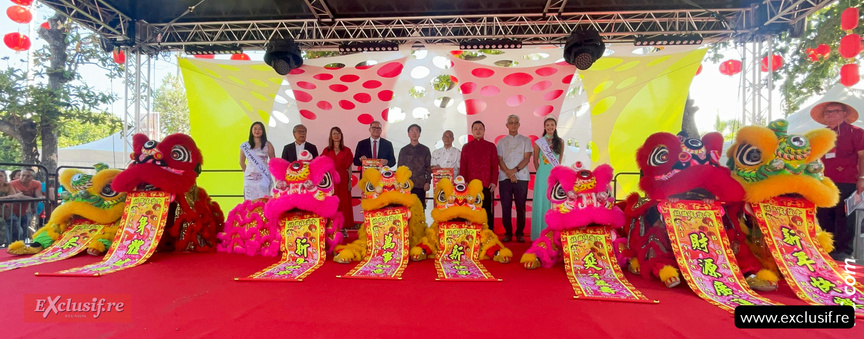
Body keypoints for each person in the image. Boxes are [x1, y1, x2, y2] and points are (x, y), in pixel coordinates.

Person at [811, 101, 864, 260]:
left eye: (835, 111)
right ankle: (828, 250)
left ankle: (844, 252)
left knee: (844, 216)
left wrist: (862, 178)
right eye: (827, 112)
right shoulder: (820, 135)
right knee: (824, 215)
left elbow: (862, 156)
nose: (830, 114)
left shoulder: (856, 132)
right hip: (823, 182)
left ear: (844, 114)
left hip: (847, 181)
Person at [497, 115, 533, 243]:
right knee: (506, 206)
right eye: (510, 123)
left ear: (519, 125)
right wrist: (508, 173)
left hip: (521, 177)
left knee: (520, 206)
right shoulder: (501, 142)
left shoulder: (525, 140)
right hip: (504, 178)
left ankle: (519, 233)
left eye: (515, 123)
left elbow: (527, 158)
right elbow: (499, 160)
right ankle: (508, 233)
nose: (513, 125)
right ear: (507, 125)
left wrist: (513, 171)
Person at [459, 121, 499, 233]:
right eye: (475, 129)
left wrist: (493, 181)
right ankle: (471, 232)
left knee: (486, 209)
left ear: (484, 131)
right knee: (470, 209)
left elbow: (495, 166)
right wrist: (464, 182)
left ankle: (488, 233)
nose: (478, 131)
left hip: (486, 183)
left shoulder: (491, 146)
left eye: (480, 128)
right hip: (470, 185)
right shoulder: (466, 147)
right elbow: (463, 166)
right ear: (472, 131)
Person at [531, 116, 563, 240]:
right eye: (547, 125)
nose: (550, 127)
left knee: (553, 202)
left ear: (555, 127)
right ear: (544, 127)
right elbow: (535, 161)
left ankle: (553, 234)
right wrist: (542, 171)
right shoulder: (539, 142)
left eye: (552, 125)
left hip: (554, 174)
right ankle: (538, 234)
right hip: (542, 175)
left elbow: (559, 160)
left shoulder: (560, 142)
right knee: (541, 201)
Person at [322, 127, 355, 229]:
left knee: (343, 202)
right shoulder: (326, 150)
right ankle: (331, 225)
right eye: (334, 134)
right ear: (331, 136)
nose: (336, 136)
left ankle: (344, 225)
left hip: (343, 179)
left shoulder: (347, 150)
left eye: (338, 133)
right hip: (330, 180)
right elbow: (322, 167)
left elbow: (349, 168)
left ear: (341, 135)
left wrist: (349, 182)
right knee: (332, 201)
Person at [398, 124, 432, 210]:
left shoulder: (425, 150)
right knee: (406, 209)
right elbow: (400, 168)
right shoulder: (403, 150)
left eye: (416, 131)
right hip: (406, 185)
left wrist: (428, 182)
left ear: (419, 134)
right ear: (408, 134)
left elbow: (428, 167)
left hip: (421, 184)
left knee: (420, 209)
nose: (414, 133)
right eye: (411, 131)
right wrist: (399, 183)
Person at [239, 121, 276, 200]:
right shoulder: (245, 146)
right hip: (249, 179)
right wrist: (249, 173)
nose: (257, 131)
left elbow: (273, 161)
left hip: (264, 178)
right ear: (251, 131)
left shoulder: (268, 145)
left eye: (260, 129)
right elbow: (241, 162)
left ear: (263, 131)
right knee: (250, 203)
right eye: (255, 129)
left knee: (263, 201)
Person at [9, 168, 43, 242]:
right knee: (17, 231)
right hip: (11, 211)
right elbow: (17, 196)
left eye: (28, 176)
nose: (24, 177)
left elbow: (39, 196)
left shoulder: (37, 183)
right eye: (23, 175)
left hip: (25, 211)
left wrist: (40, 198)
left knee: (25, 231)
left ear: (32, 177)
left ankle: (24, 247)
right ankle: (12, 247)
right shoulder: (12, 183)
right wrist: (33, 198)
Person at [0, 170, 22, 245]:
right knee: (5, 234)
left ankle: (15, 247)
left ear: (5, 178)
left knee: (19, 231)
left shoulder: (8, 185)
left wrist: (9, 197)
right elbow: (13, 196)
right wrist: (9, 197)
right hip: (2, 215)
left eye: (1, 176)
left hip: (7, 212)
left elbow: (15, 197)